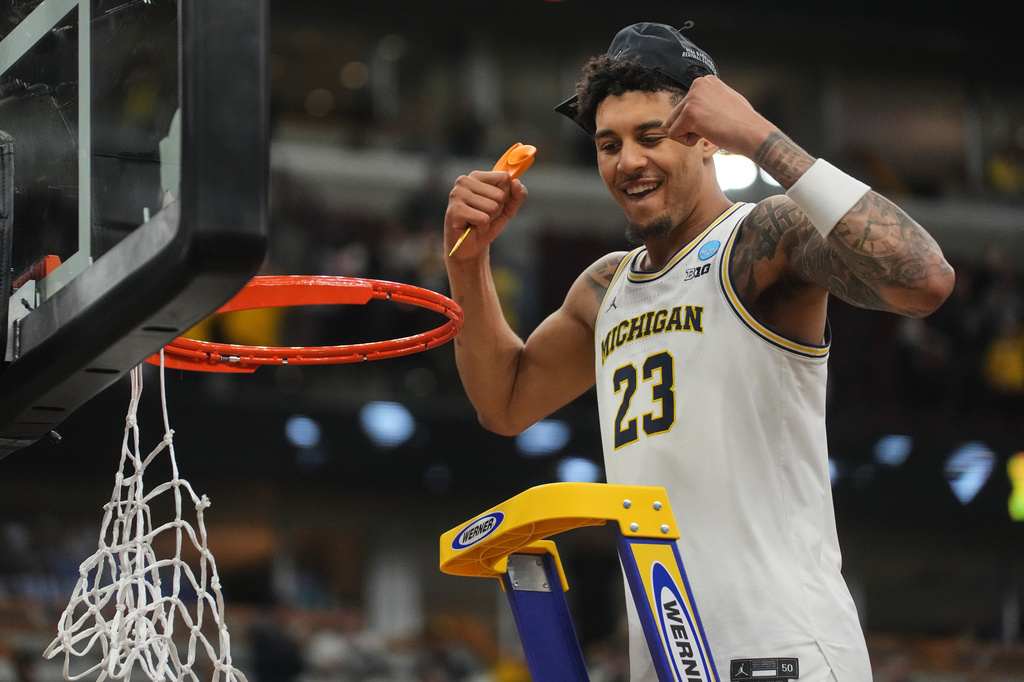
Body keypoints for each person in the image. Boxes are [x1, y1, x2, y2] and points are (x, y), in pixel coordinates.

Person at [442, 21, 954, 682]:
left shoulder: (759, 238)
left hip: (785, 648)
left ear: (708, 135)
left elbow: (925, 280)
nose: (627, 161)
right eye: (609, 144)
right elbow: (503, 403)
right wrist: (469, 259)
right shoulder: (605, 287)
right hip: (668, 659)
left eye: (650, 136)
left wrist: (763, 140)